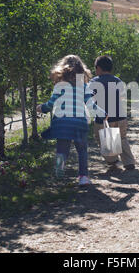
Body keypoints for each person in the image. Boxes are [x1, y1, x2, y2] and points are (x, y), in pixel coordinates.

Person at [37, 55, 106, 186]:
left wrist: (41, 108)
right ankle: (83, 177)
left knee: (62, 150)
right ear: (82, 71)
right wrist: (102, 114)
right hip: (79, 122)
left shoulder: (59, 86)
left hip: (62, 123)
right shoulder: (84, 86)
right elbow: (90, 105)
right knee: (82, 150)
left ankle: (59, 174)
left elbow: (50, 104)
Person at [89, 55, 136, 171]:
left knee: (104, 139)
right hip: (120, 117)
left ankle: (113, 161)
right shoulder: (118, 80)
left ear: (98, 68)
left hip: (104, 119)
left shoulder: (94, 81)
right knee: (122, 138)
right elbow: (121, 96)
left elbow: (89, 98)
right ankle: (129, 162)